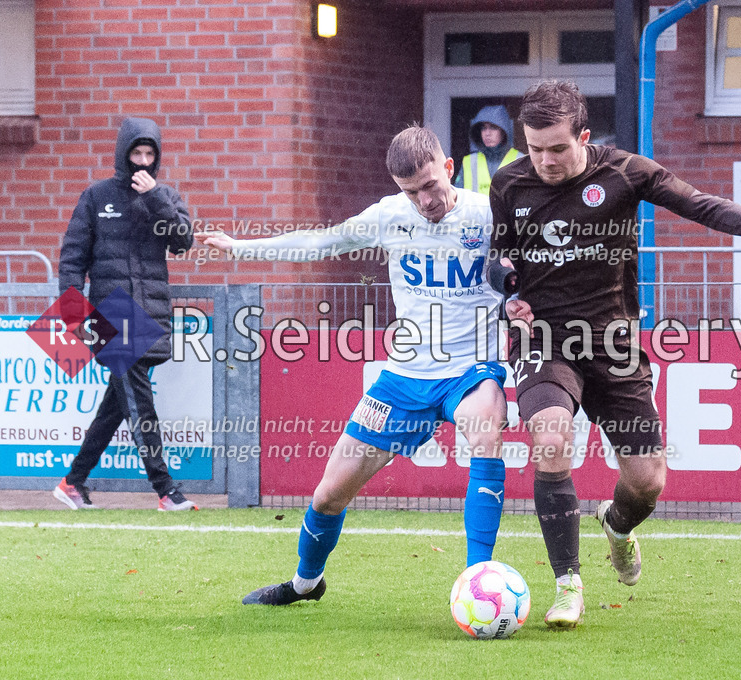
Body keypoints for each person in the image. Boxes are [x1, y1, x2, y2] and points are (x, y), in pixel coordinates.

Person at [486, 80, 741, 629]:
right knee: (549, 437)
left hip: (613, 344)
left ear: (583, 137)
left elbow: (699, 204)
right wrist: (508, 290)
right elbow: (499, 254)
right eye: (534, 147)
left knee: (647, 482)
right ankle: (568, 584)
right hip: (544, 339)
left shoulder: (625, 173)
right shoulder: (508, 181)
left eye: (557, 148)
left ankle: (616, 524)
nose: (544, 161)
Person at [196, 125, 509, 606]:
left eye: (430, 185)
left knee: (484, 427)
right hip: (404, 379)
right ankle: (305, 584)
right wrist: (241, 248)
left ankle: (477, 581)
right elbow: (320, 244)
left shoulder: (486, 214)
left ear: (448, 169)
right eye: (411, 191)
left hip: (470, 370)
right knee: (328, 495)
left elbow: (539, 261)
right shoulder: (389, 217)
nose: (424, 200)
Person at [52, 117, 199, 512]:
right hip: (109, 314)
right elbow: (72, 259)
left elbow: (182, 241)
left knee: (120, 404)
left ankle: (73, 481)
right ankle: (166, 489)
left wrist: (155, 198)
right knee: (139, 402)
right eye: (137, 152)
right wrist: (73, 315)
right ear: (123, 152)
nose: (143, 160)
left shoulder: (164, 195)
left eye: (150, 154)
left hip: (148, 313)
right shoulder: (97, 196)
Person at [453, 104, 523, 196]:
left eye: (493, 128)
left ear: (504, 131)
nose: (487, 133)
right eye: (483, 128)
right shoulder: (469, 162)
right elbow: (457, 199)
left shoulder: (521, 160)